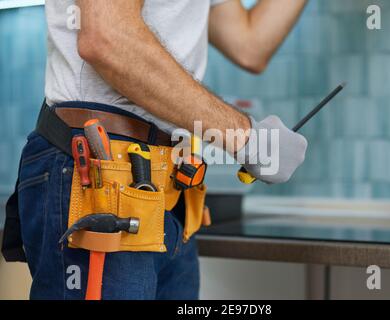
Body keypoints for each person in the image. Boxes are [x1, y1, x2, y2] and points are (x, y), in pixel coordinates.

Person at [2, 0, 308, 299]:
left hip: (171, 190)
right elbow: (107, 36)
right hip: (103, 177)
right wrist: (247, 138)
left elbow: (249, 44)